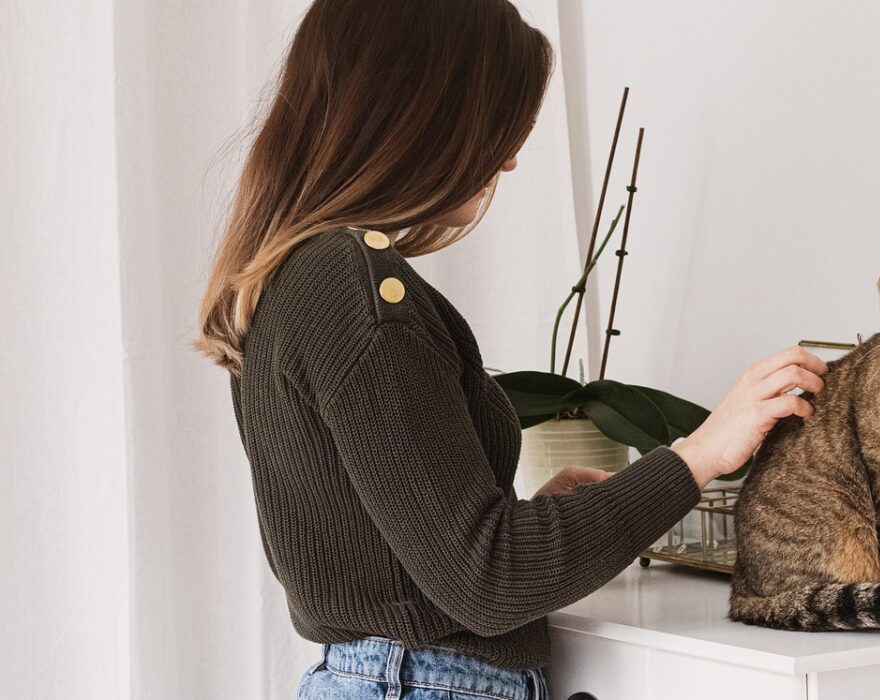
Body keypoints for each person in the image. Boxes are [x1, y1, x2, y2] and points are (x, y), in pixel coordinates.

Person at [193, 1, 828, 698]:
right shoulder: (358, 288)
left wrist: (535, 519)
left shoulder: (293, 280)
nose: (513, 155)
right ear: (425, 113)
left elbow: (396, 555)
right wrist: (702, 452)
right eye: (498, 122)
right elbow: (488, 583)